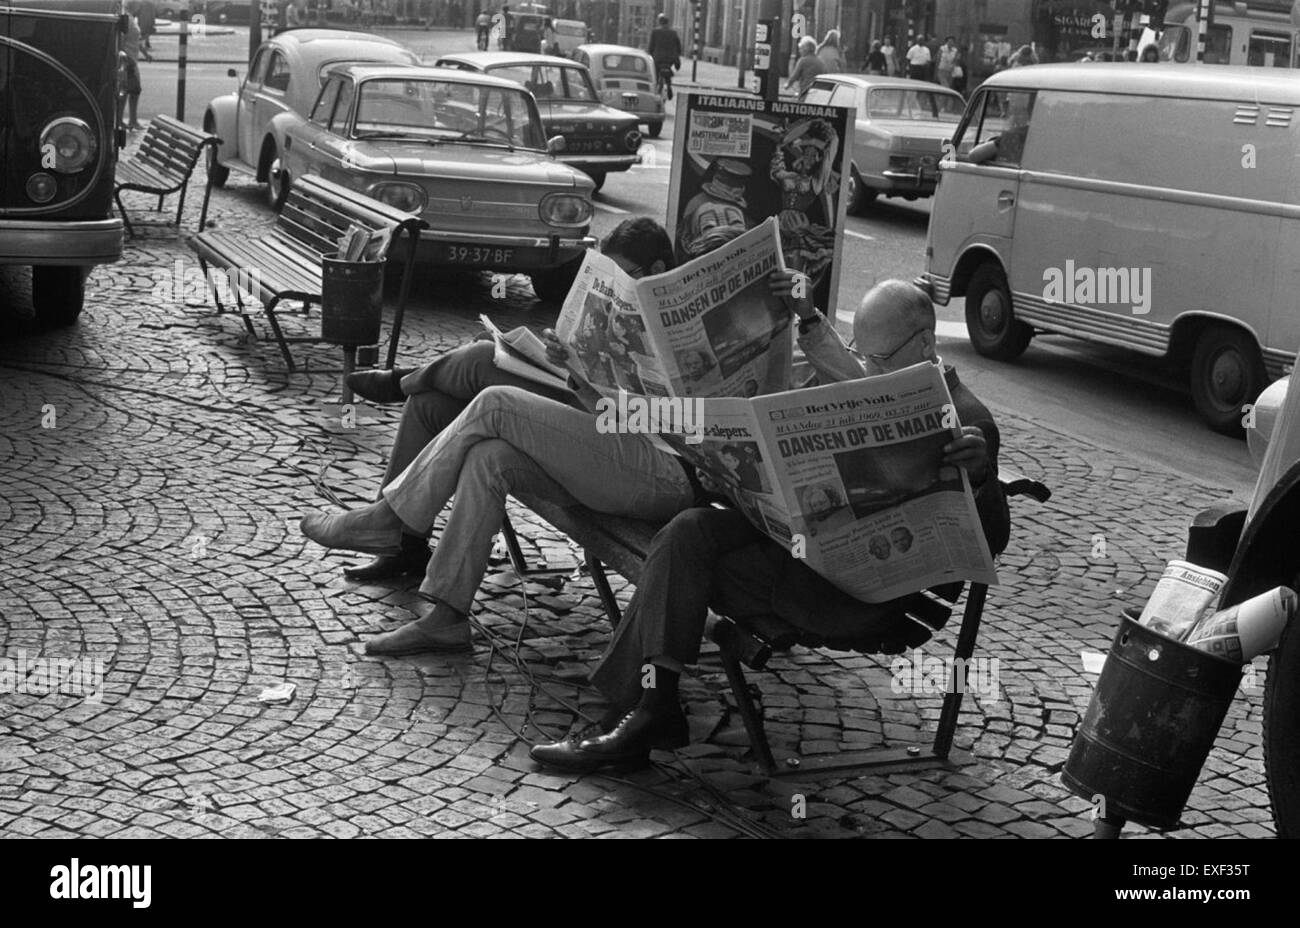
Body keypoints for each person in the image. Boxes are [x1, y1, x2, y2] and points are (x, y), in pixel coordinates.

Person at [528, 278, 1011, 773]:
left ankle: (644, 712)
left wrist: (979, 480)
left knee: (680, 558)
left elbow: (992, 539)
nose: (866, 370)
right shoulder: (862, 392)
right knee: (686, 531)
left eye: (879, 361)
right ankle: (650, 709)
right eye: (859, 354)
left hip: (851, 595)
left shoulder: (970, 420)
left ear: (926, 344)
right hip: (796, 549)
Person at [335, 219, 675, 584]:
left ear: (658, 270)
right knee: (429, 404)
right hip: (584, 404)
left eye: (624, 276)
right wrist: (570, 358)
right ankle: (402, 547)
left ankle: (401, 383)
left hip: (613, 436)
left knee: (481, 361)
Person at [119, 6, 143, 131]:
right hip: (129, 60)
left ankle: (124, 120)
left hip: (132, 59)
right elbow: (121, 40)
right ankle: (130, 120)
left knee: (128, 91)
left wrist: (145, 53)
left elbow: (136, 39)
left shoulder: (131, 17)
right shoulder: (126, 18)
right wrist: (127, 59)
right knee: (133, 90)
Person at [647, 13, 682, 100]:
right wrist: (677, 55)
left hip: (657, 58)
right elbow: (678, 46)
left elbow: (651, 46)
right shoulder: (673, 33)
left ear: (660, 22)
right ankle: (669, 85)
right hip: (670, 59)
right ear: (667, 23)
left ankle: (656, 87)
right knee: (668, 69)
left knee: (656, 73)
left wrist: (649, 54)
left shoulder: (655, 31)